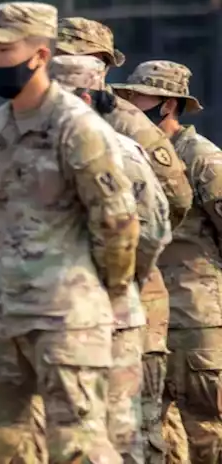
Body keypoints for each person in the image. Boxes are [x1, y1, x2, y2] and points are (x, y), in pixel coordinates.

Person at [0, 2, 136, 462]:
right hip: (5, 317)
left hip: (68, 319)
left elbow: (117, 224)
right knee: (5, 443)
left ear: (40, 55)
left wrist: (103, 290)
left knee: (78, 447)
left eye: (6, 49)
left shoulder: (77, 130)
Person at [55, 19, 193, 464]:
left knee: (134, 428)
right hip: (63, 302)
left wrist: (125, 254)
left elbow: (174, 199)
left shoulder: (129, 122)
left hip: (130, 296)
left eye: (82, 57)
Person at [111, 61, 222, 463]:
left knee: (208, 431)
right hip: (147, 317)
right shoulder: (129, 153)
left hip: (197, 318)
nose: (130, 104)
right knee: (150, 433)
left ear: (169, 104)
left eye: (139, 97)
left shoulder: (201, 157)